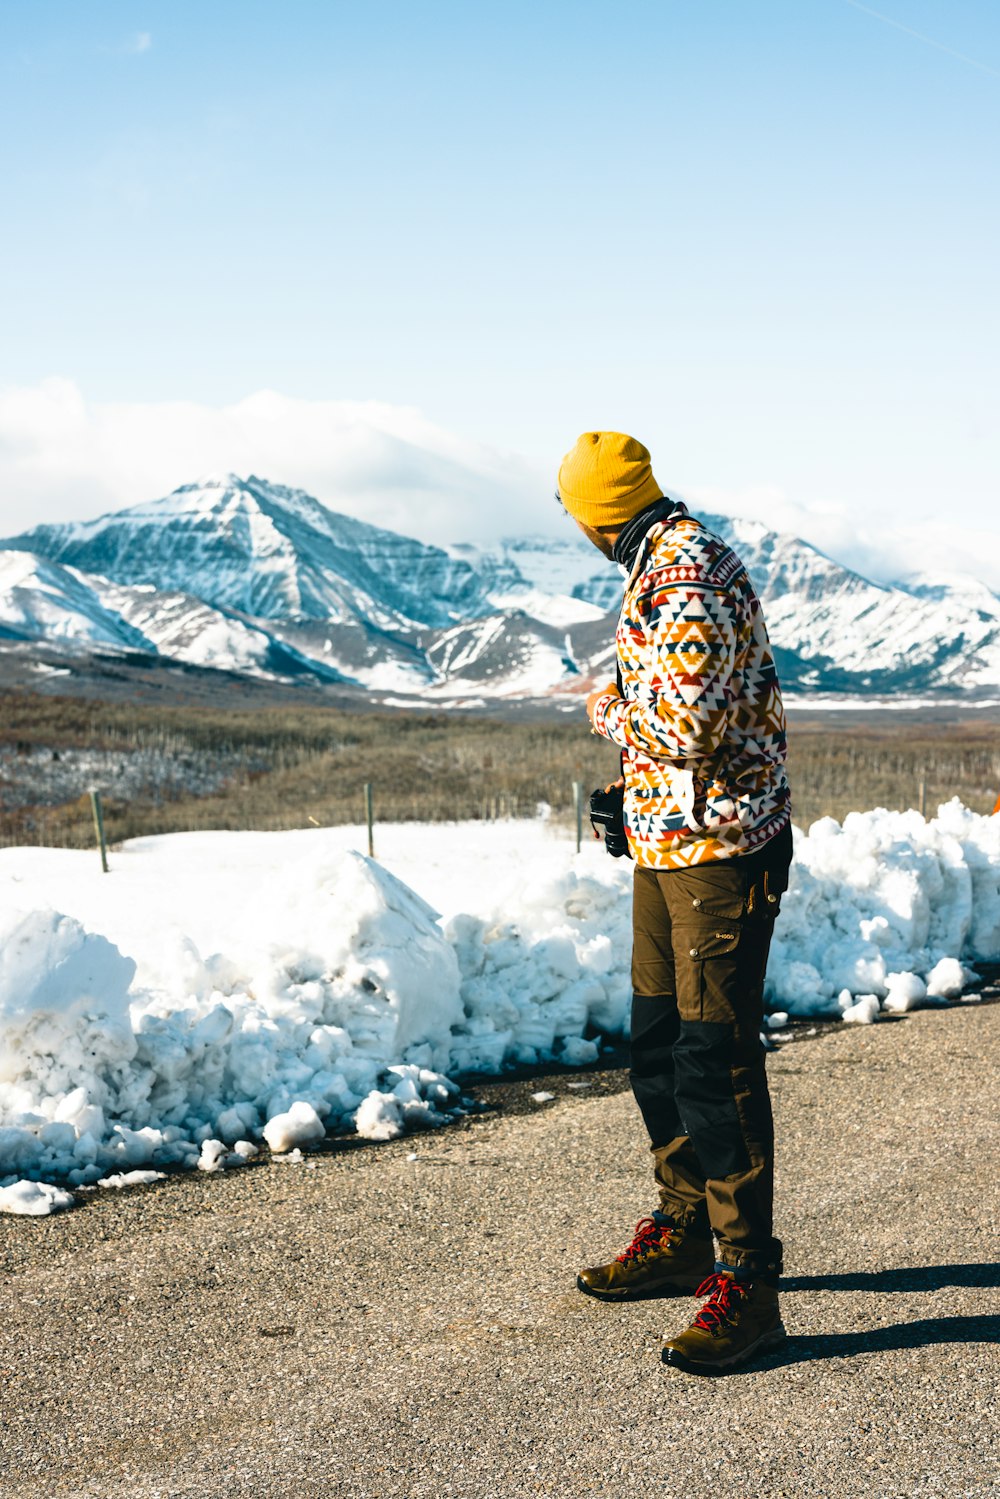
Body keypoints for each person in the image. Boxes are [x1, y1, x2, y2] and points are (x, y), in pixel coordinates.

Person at [556, 430, 793, 1375]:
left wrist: (606, 708)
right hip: (671, 841)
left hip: (718, 853)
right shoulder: (653, 563)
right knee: (657, 1042)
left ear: (590, 510)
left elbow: (687, 726)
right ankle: (686, 1227)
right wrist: (635, 792)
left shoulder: (683, 576)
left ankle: (749, 1284)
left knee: (713, 1060)